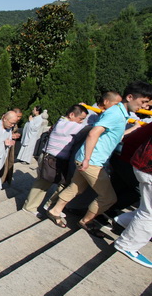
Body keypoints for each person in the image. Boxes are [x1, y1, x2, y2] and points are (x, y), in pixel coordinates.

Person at [47, 81, 152, 236]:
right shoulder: (116, 114)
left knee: (76, 187)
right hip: (92, 161)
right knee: (108, 198)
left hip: (90, 159)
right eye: (143, 102)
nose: (144, 107)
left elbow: (114, 136)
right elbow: (93, 133)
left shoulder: (120, 113)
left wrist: (135, 128)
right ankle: (86, 221)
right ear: (130, 97)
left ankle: (55, 210)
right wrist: (88, 159)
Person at [22, 105, 89, 216]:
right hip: (51, 159)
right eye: (80, 119)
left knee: (63, 184)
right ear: (72, 115)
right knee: (43, 184)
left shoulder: (64, 123)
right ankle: (30, 207)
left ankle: (50, 205)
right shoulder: (66, 124)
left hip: (57, 159)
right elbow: (91, 128)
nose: (81, 122)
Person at [113, 124, 152, 268]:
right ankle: (127, 244)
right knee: (149, 212)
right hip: (148, 168)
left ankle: (122, 221)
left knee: (147, 207)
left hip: (142, 164)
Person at [0, 108, 23, 185]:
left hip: (10, 146)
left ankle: (6, 178)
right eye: (18, 116)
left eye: (20, 117)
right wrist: (11, 135)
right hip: (2, 147)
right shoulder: (5, 122)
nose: (19, 118)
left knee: (9, 162)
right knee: (3, 164)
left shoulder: (14, 123)